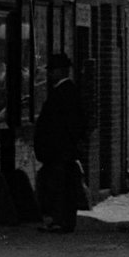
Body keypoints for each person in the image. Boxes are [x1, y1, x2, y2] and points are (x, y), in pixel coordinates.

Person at [32, 57, 87, 235]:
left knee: (58, 187)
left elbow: (60, 124)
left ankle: (60, 221)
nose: (49, 74)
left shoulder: (63, 93)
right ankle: (64, 221)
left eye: (52, 70)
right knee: (64, 187)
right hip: (63, 151)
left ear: (61, 71)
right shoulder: (69, 91)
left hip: (58, 152)